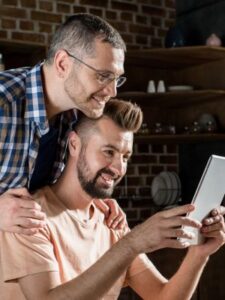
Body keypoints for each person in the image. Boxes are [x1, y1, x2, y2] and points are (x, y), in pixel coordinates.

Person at [1, 99, 225, 300]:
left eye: (125, 157)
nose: (119, 168)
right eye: (108, 152)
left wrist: (198, 254)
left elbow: (162, 297)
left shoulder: (111, 221)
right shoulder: (26, 216)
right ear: (74, 144)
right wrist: (132, 243)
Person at [0, 13, 128, 235]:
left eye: (116, 79)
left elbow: (56, 192)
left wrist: (92, 201)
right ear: (62, 64)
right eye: (103, 76)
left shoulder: (78, 117)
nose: (112, 91)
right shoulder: (3, 102)